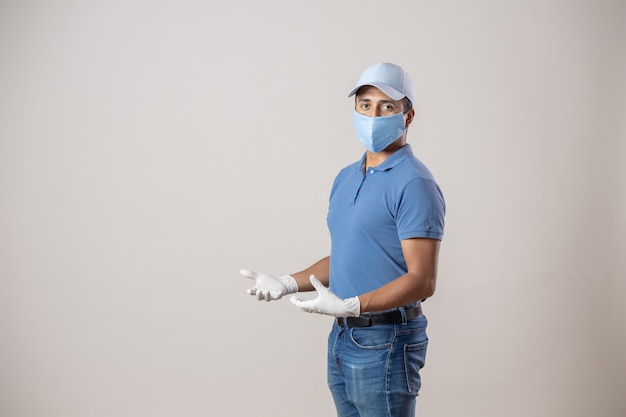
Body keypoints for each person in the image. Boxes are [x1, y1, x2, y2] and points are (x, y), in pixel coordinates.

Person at [241, 62, 445, 417]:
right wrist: (288, 282)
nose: (373, 114)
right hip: (342, 338)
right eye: (365, 105)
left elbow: (422, 279)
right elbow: (350, 257)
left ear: (407, 116)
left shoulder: (414, 184)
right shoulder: (346, 177)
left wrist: (353, 305)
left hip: (387, 340)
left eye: (387, 106)